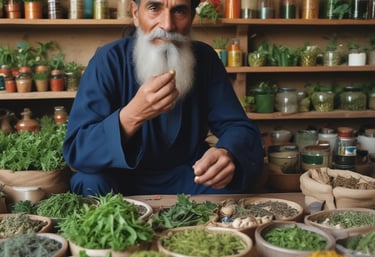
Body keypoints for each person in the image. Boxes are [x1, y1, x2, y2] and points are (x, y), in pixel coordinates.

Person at [62, 0, 264, 196]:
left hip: (188, 177)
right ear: (135, 13)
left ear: (192, 17)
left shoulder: (205, 59)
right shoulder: (108, 59)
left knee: (233, 179)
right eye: (153, 8)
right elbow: (78, 150)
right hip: (122, 179)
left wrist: (227, 152)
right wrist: (132, 115)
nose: (167, 25)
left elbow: (239, 127)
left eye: (179, 11)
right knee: (89, 183)